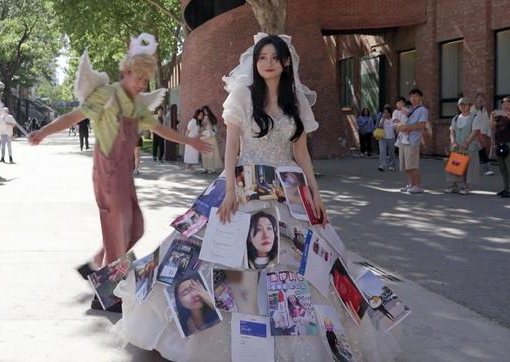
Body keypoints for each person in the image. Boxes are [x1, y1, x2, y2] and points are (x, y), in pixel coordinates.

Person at [113, 34, 400, 362]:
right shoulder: (242, 96)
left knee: (300, 263)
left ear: (285, 62)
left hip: (288, 189)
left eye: (273, 58)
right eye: (262, 58)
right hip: (243, 184)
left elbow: (302, 153)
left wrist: (316, 195)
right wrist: (230, 192)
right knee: (223, 257)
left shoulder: (296, 102)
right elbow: (232, 148)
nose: (267, 63)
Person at [28, 33, 210, 311]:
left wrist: (190, 142)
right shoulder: (105, 95)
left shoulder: (137, 104)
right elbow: (74, 117)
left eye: (145, 81)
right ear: (125, 72)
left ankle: (94, 267)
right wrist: (43, 132)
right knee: (117, 229)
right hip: (108, 172)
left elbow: (159, 129)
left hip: (125, 174)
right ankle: (106, 296)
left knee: (134, 227)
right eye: (138, 78)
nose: (142, 85)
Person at [444, 97, 481, 195]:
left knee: (469, 167)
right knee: (455, 165)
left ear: (470, 106)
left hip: (470, 147)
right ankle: (453, 185)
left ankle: (465, 186)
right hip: (457, 146)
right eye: (460, 104)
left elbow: (475, 131)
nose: (463, 106)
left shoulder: (474, 117)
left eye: (465, 104)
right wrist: (453, 142)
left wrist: (467, 142)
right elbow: (452, 132)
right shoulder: (455, 118)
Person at [398, 88, 428, 194]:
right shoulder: (410, 110)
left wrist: (408, 127)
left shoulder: (422, 110)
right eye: (411, 96)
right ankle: (411, 184)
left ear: (420, 97)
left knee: (413, 164)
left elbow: (422, 125)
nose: (413, 98)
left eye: (416, 96)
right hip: (404, 139)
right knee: (406, 165)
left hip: (413, 140)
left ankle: (417, 186)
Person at [491, 96, 510, 198]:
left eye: (507, 103)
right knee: (503, 169)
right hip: (499, 144)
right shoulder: (499, 116)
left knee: (509, 168)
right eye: (503, 104)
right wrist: (492, 116)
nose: (505, 105)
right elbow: (492, 126)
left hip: (508, 143)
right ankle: (506, 188)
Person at [473, 93, 494, 176]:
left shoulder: (484, 110)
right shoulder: (473, 110)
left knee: (479, 151)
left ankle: (481, 168)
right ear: (475, 100)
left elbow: (487, 122)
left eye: (482, 98)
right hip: (475, 134)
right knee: (481, 151)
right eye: (479, 98)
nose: (480, 100)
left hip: (483, 133)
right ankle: (486, 169)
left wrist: (489, 134)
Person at [199, 106, 223, 173]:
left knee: (212, 152)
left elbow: (214, 127)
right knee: (204, 152)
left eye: (206, 111)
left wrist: (214, 132)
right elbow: (201, 126)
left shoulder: (211, 118)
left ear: (208, 111)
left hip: (211, 136)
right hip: (204, 136)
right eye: (204, 111)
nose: (205, 112)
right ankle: (205, 168)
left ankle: (212, 168)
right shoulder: (202, 118)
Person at [377, 106, 396, 171]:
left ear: (390, 113)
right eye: (384, 112)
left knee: (391, 152)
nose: (386, 114)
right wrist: (383, 119)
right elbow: (380, 126)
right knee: (382, 152)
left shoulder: (393, 119)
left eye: (387, 112)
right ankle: (382, 165)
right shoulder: (382, 119)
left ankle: (391, 165)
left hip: (391, 138)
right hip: (383, 138)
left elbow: (395, 129)